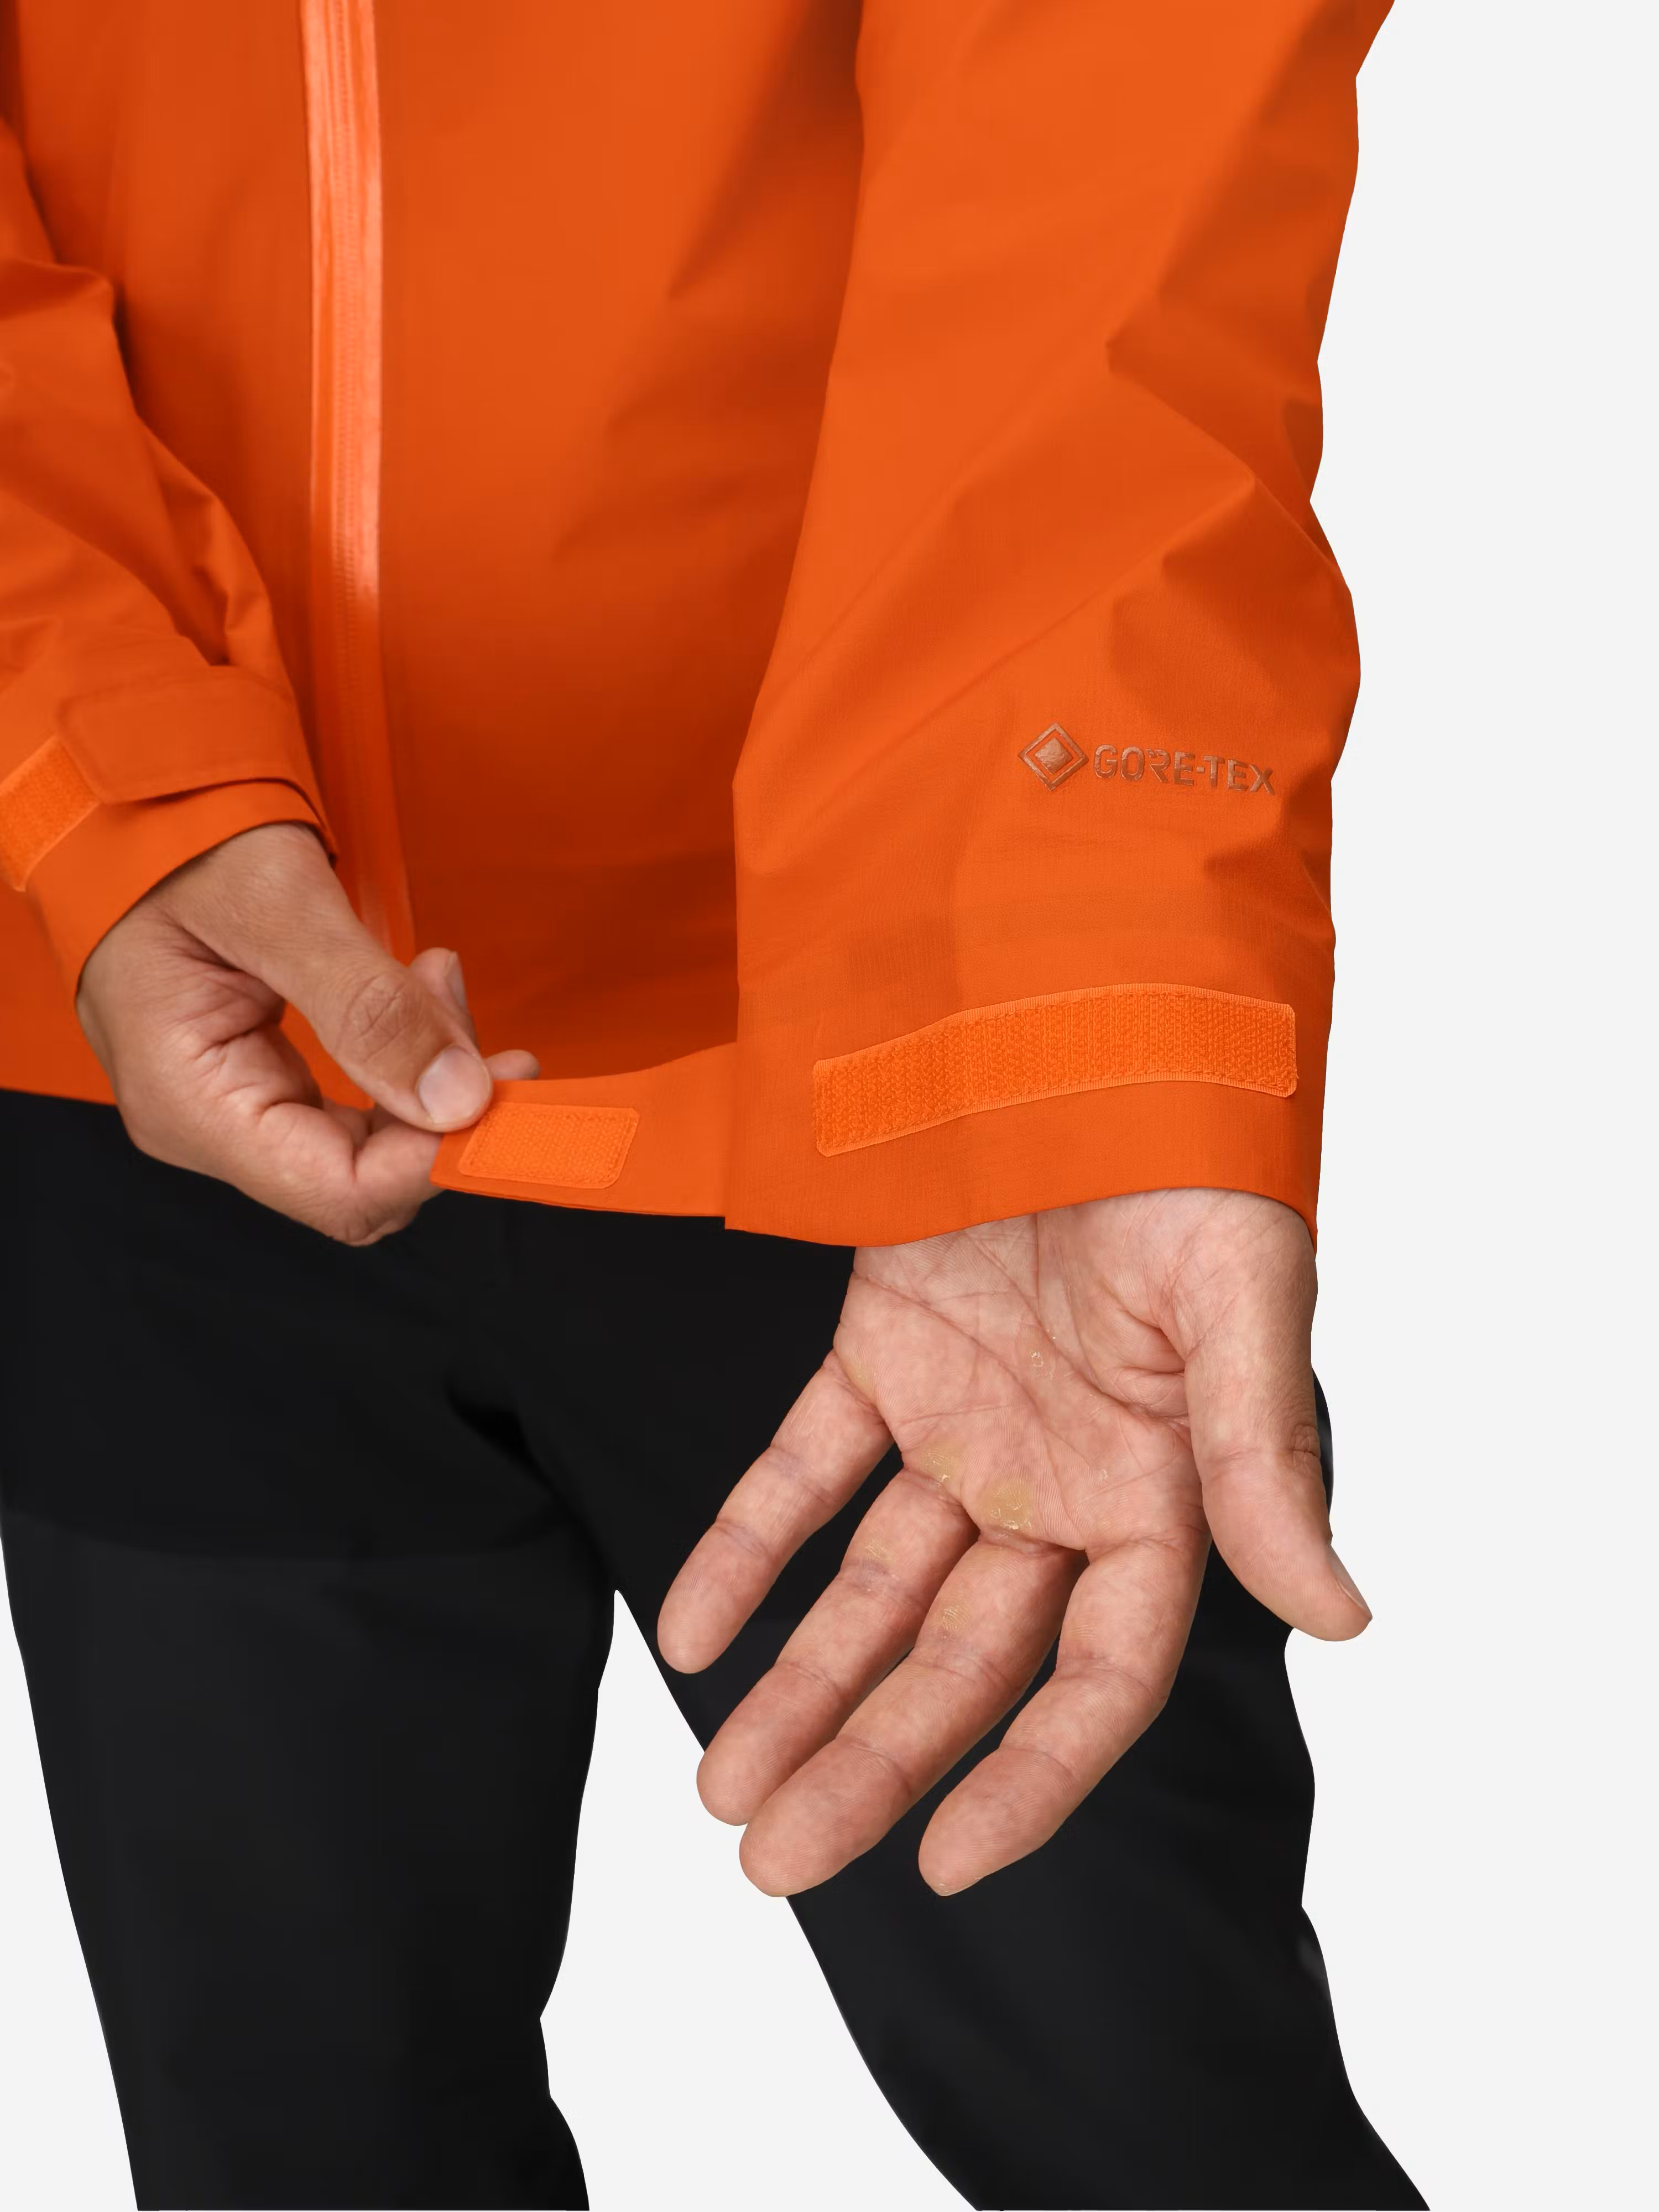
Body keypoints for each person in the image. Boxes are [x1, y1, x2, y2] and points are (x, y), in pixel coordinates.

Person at [0, 3, 1423, 2206]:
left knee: (1160, 2125)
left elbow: (1109, 137)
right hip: (125, 1074)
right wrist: (91, 774)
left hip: (890, 1112)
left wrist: (1064, 1020)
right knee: (294, 2146)